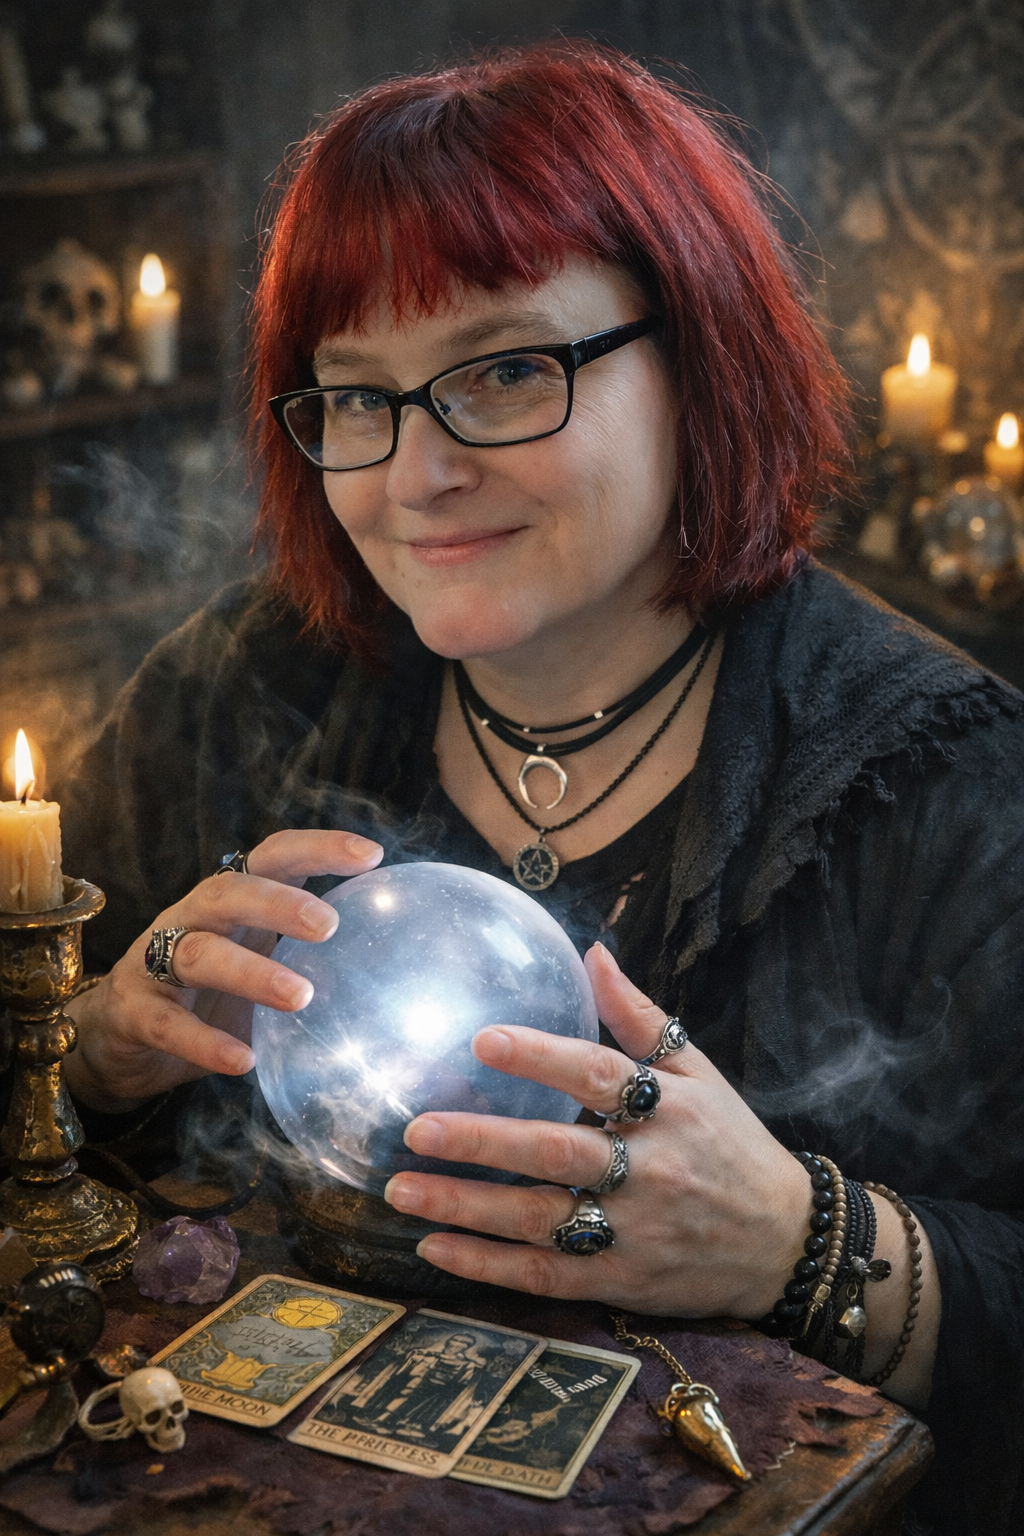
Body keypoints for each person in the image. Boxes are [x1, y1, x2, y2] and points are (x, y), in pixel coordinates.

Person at [47, 43, 1022, 1536]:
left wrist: (805, 1246)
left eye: (505, 371)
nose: (413, 476)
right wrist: (88, 1056)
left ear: (701, 360)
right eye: (356, 396)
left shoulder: (954, 786)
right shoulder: (237, 688)